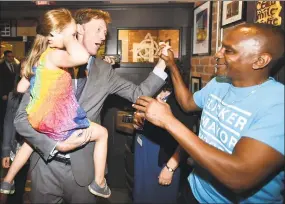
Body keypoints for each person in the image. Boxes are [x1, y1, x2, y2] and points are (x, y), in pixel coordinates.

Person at [13, 8, 167, 204]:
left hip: (84, 173)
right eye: (99, 30)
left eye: (105, 32)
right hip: (44, 168)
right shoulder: (48, 59)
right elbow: (20, 120)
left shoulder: (105, 71)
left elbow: (138, 94)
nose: (103, 37)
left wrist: (162, 65)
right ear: (79, 29)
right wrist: (54, 145)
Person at [133, 23, 284, 203]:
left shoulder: (277, 105)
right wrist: (171, 65)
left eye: (229, 51)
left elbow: (239, 177)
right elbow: (187, 103)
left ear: (260, 61)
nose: (218, 54)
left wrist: (168, 121)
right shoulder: (219, 83)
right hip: (195, 191)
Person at [1, 8, 113, 198]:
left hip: (39, 119)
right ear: (56, 34)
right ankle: (100, 182)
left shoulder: (39, 59)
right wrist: (67, 39)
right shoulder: (55, 54)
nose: (74, 37)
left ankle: (7, 180)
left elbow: (20, 88)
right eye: (72, 34)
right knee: (102, 133)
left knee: (29, 143)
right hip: (59, 122)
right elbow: (82, 58)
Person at [132, 75, 193, 204]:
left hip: (164, 157)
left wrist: (170, 168)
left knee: (159, 196)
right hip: (144, 149)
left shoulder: (183, 101)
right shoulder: (154, 93)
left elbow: (186, 139)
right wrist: (138, 120)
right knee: (141, 193)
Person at [0, 60, 28, 204]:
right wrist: (5, 151)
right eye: (23, 68)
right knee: (16, 187)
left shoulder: (43, 94)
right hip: (16, 146)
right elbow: (8, 123)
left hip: (37, 150)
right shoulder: (13, 95)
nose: (26, 70)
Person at [0, 51, 19, 140]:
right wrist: (3, 93)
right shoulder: (1, 66)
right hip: (5, 93)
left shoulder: (15, 66)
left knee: (11, 111)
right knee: (4, 113)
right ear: (5, 57)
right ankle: (3, 133)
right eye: (9, 57)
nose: (11, 58)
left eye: (12, 56)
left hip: (13, 92)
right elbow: (1, 81)